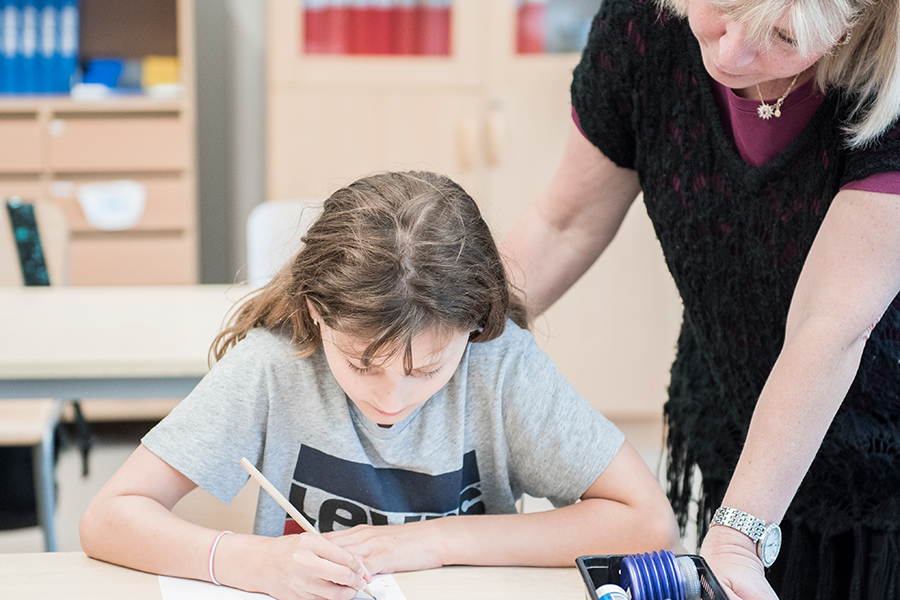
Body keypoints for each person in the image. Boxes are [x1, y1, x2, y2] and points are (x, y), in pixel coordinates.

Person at [79, 171, 679, 600]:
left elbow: (649, 522)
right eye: (362, 365)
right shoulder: (275, 367)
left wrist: (438, 541)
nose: (390, 400)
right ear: (316, 313)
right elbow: (110, 516)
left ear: (473, 327)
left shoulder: (499, 368)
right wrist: (252, 562)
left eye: (426, 370)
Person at [501, 0, 900, 597]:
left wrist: (738, 537)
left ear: (854, 20)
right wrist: (444, 333)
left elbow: (828, 327)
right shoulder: (644, 28)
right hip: (737, 426)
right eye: (720, 7)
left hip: (885, 458)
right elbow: (564, 225)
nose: (729, 52)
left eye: (783, 36)